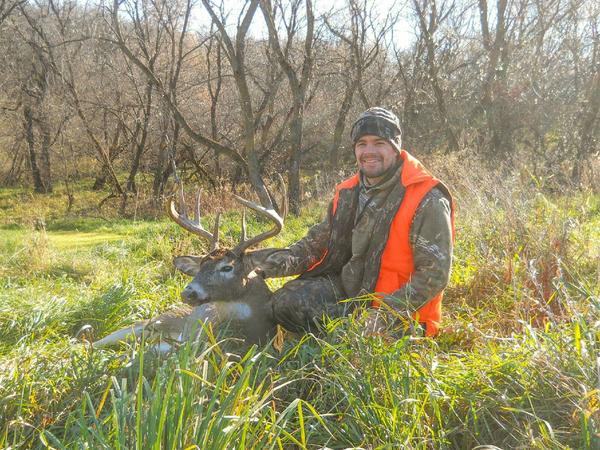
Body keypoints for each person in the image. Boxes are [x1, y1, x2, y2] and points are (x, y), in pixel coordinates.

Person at [247, 107, 455, 337]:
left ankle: (339, 347)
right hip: (351, 293)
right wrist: (258, 268)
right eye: (362, 144)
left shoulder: (426, 198)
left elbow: (434, 274)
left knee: (359, 343)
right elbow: (313, 246)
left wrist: (385, 313)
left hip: (401, 312)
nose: (369, 151)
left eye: (379, 143)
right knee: (283, 303)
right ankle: (329, 342)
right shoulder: (348, 192)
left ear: (396, 147)